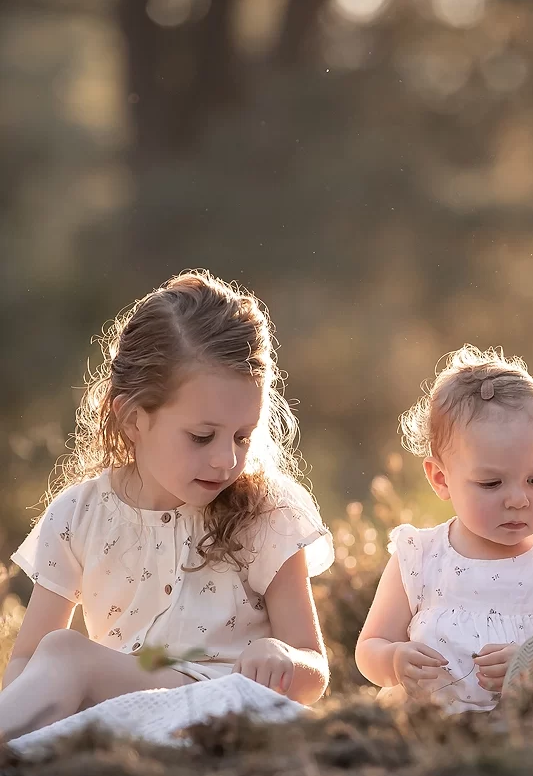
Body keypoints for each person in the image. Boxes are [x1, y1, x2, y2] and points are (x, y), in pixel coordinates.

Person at [4, 270, 333, 740]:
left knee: (65, 653)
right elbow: (24, 660)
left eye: (243, 436)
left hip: (228, 705)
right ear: (134, 419)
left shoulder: (267, 512)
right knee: (56, 657)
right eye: (202, 436)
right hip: (122, 714)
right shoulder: (79, 514)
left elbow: (314, 667)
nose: (227, 459)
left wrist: (284, 660)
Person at [355, 344, 533, 722]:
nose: (518, 499)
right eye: (491, 483)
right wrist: (394, 660)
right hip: (437, 723)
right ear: (441, 478)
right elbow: (370, 647)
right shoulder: (420, 557)